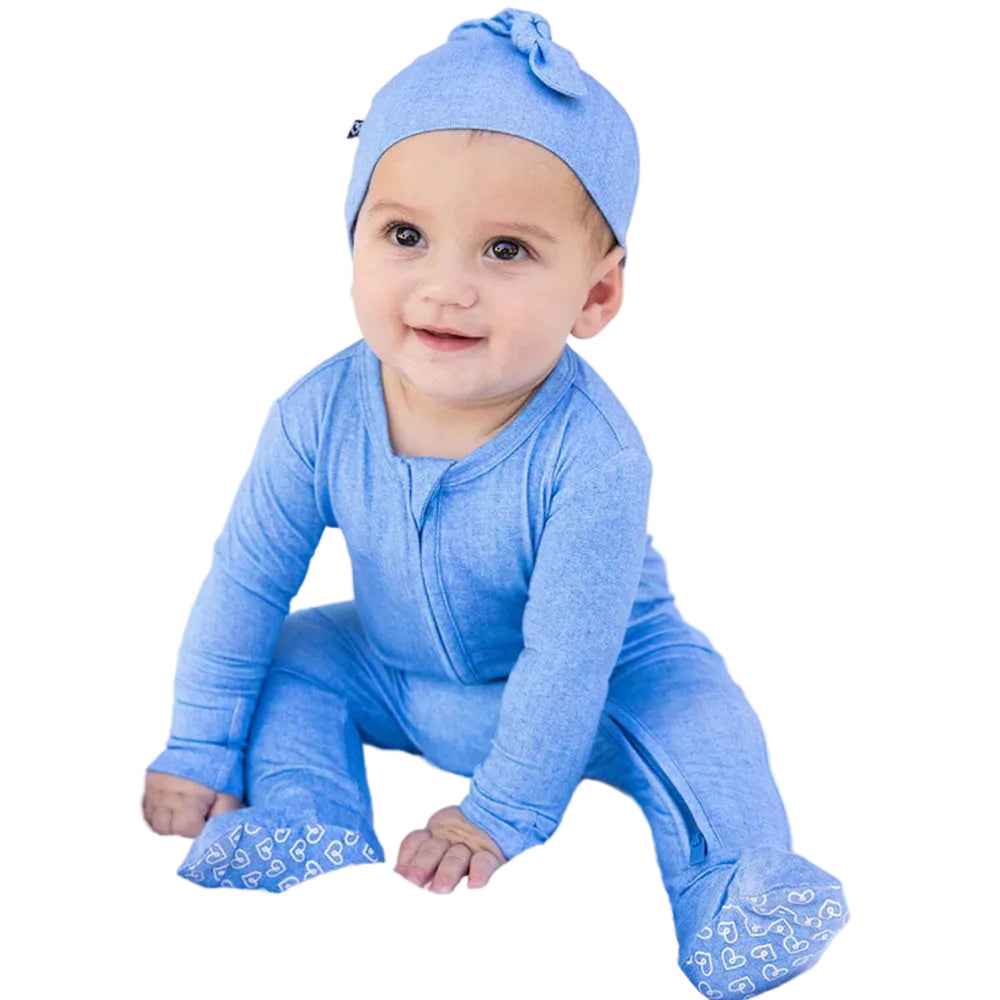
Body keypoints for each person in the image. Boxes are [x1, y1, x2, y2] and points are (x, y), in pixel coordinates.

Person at [142, 8, 848, 995]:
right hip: (398, 668)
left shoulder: (595, 458)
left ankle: (741, 886)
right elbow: (245, 580)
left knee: (702, 721)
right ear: (353, 239)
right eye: (404, 234)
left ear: (595, 297)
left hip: (600, 685)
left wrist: (502, 809)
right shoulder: (315, 414)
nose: (444, 287)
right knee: (291, 653)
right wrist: (197, 742)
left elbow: (568, 653)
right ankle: (308, 812)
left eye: (505, 250)